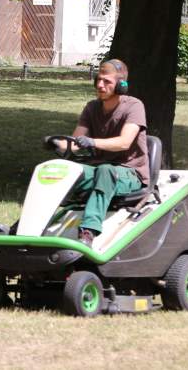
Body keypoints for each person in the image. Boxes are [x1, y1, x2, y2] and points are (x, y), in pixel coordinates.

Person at [58, 59, 149, 247]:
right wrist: (57, 144)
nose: (100, 85)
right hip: (100, 170)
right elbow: (75, 143)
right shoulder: (92, 107)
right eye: (98, 80)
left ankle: (88, 232)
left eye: (107, 81)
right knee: (60, 171)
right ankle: (23, 227)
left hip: (130, 172)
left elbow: (124, 143)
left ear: (121, 86)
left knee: (106, 171)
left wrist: (92, 142)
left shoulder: (134, 106)